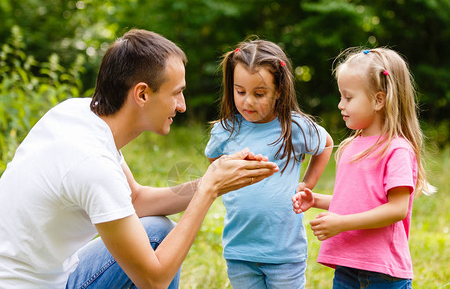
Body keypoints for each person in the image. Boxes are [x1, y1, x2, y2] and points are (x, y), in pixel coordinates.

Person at [0, 29, 280, 288]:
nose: (182, 106)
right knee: (158, 248)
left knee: (157, 230)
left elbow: (136, 200)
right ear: (142, 94)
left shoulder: (78, 113)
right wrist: (209, 190)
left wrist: (216, 178)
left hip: (47, 273)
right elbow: (154, 280)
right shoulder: (92, 164)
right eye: (177, 93)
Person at [292, 47, 436, 288]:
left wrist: (341, 223)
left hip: (383, 273)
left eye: (348, 97)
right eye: (341, 96)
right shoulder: (350, 147)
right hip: (347, 267)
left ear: (379, 100)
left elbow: (397, 209)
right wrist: (315, 199)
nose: (340, 104)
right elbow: (356, 201)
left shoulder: (396, 149)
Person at [204, 39, 333, 288]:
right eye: (240, 91)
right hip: (240, 250)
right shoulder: (225, 129)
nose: (247, 101)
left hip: (284, 253)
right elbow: (215, 162)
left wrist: (307, 183)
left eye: (259, 94)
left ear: (279, 91)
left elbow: (326, 143)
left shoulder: (293, 127)